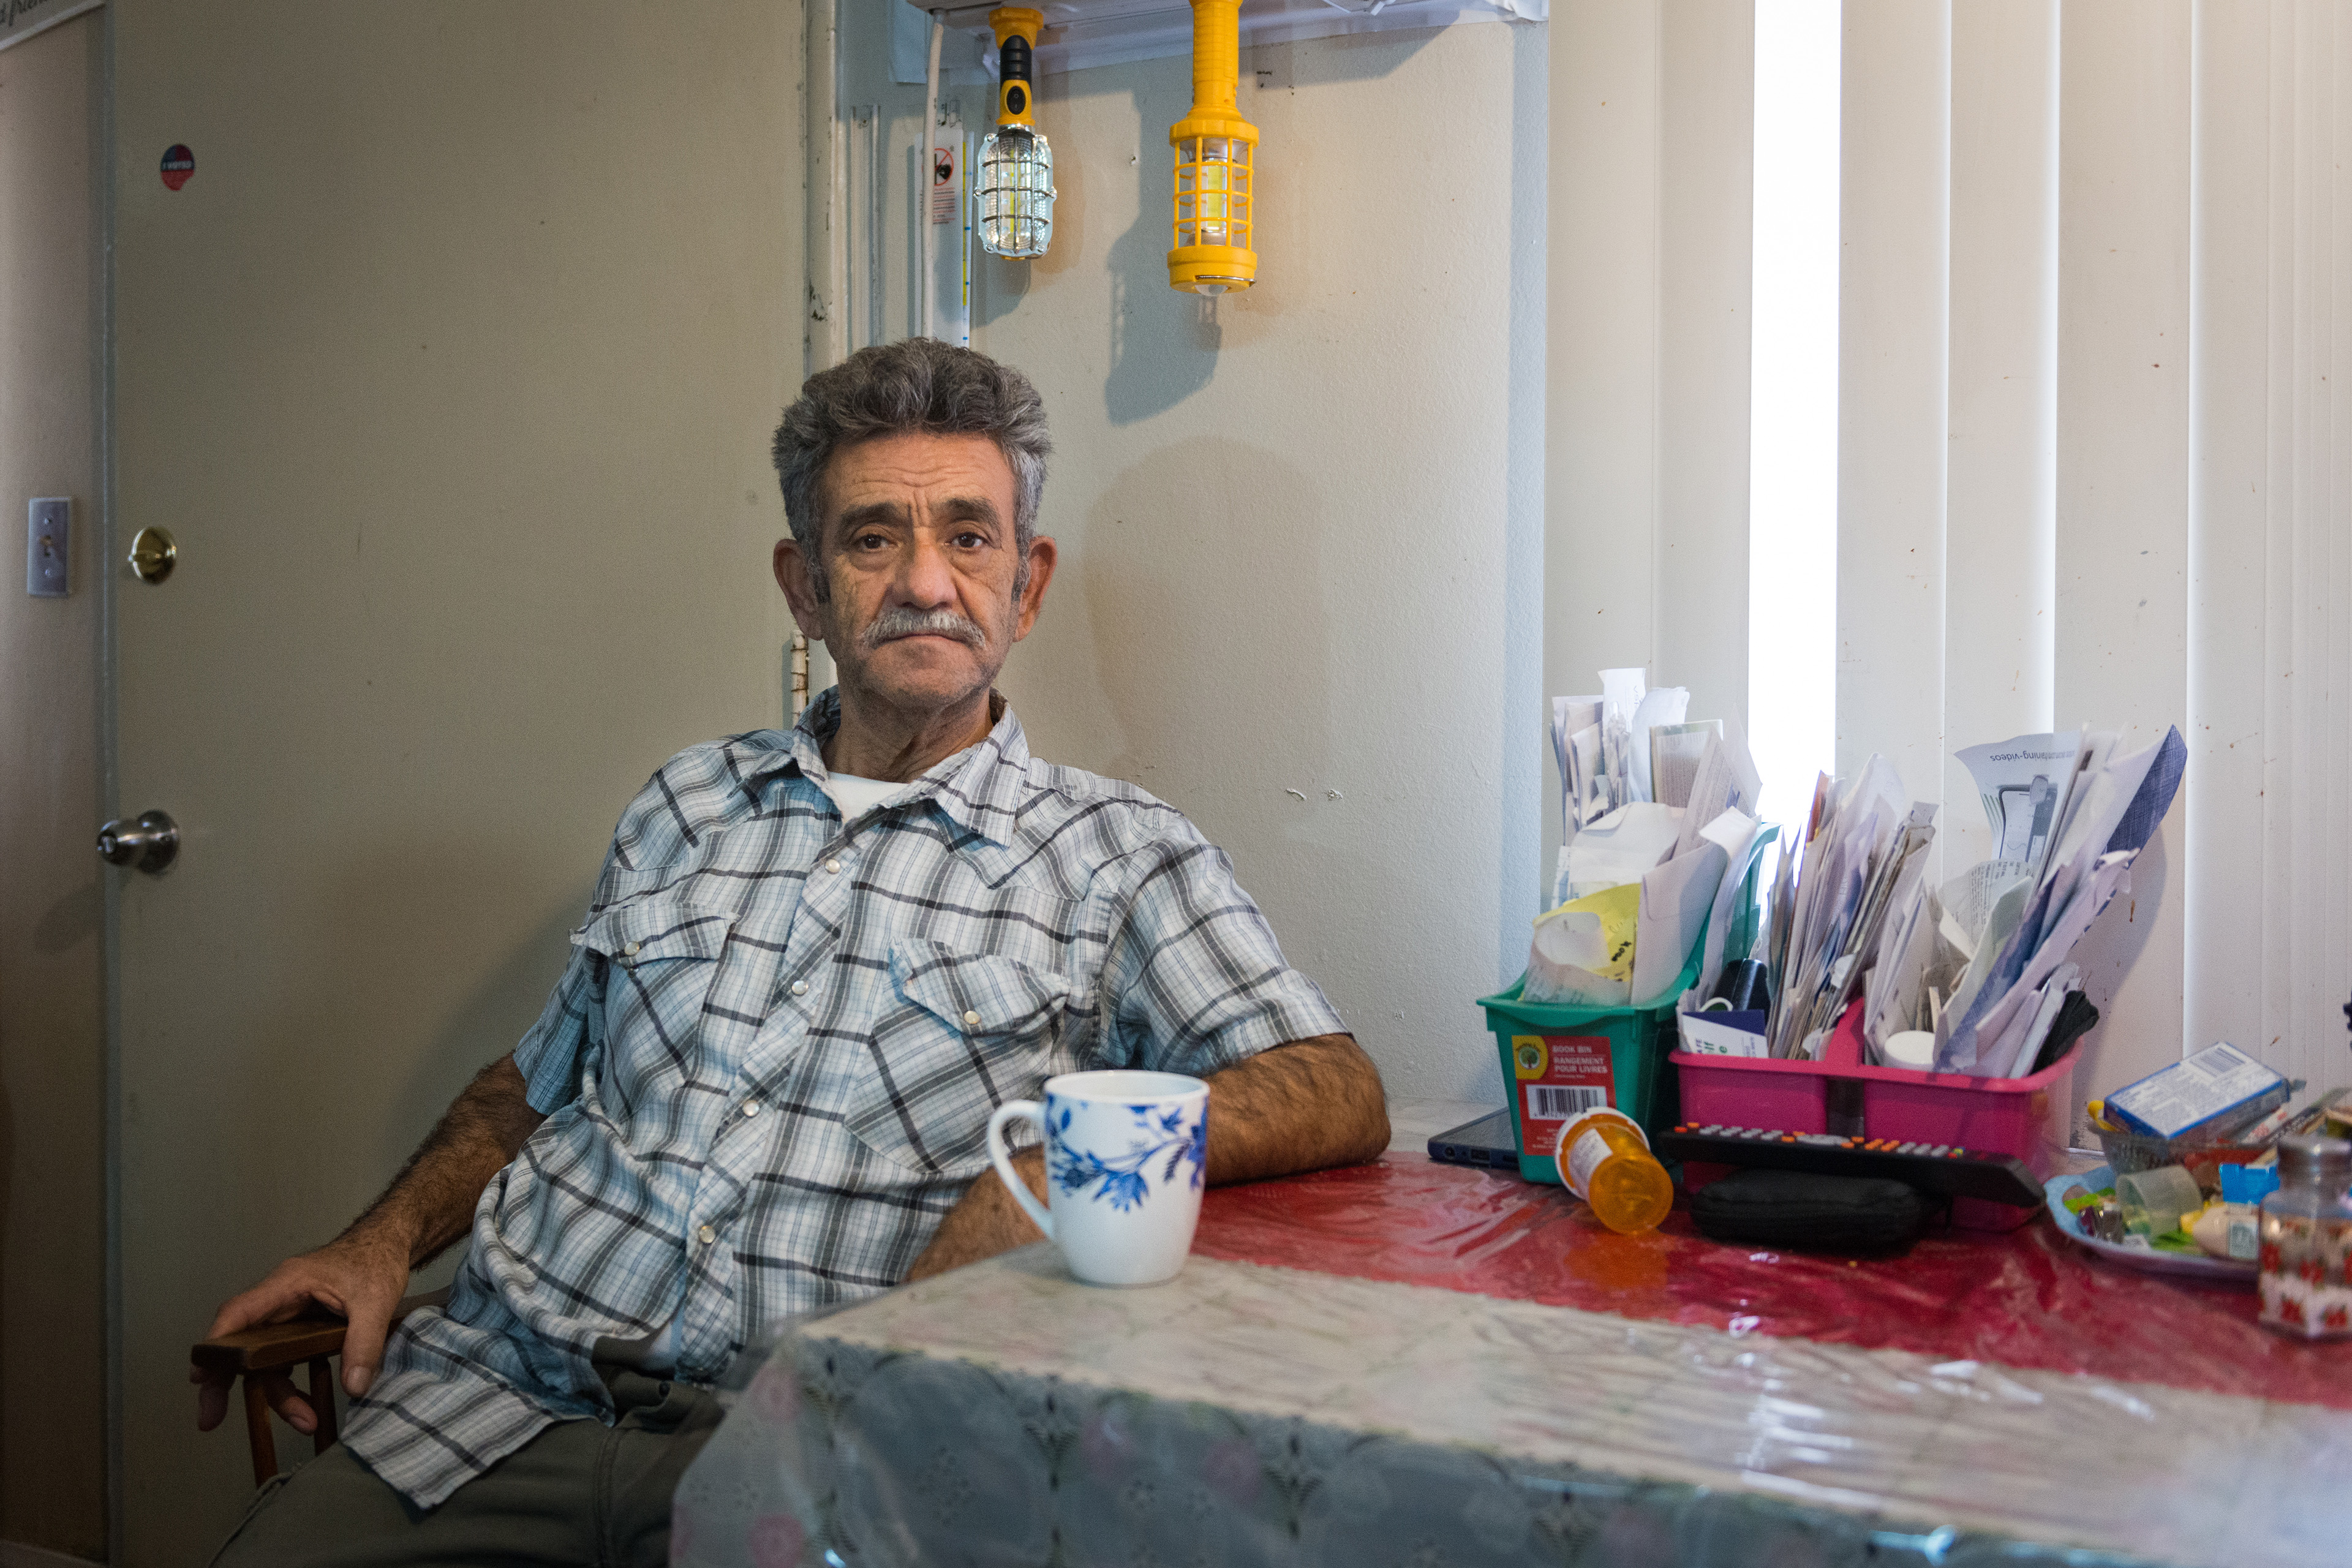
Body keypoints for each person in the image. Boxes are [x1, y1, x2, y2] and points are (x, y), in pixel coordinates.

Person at [198, 339, 1390, 1564]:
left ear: (1025, 586)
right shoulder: (685, 801)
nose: (926, 578)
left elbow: (1337, 1084)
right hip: (487, 1408)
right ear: (805, 585)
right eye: (874, 537)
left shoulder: (1116, 854)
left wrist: (1032, 1170)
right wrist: (379, 1238)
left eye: (969, 536)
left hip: (808, 1454)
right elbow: (535, 1084)